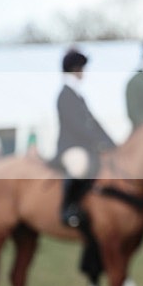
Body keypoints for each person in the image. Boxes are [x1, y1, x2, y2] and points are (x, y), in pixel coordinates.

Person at [53, 49, 116, 228]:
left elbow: (94, 122)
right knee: (79, 166)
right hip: (70, 146)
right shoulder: (64, 94)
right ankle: (67, 208)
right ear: (75, 69)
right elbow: (76, 125)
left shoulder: (78, 94)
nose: (84, 72)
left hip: (85, 145)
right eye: (82, 68)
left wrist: (111, 143)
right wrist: (97, 142)